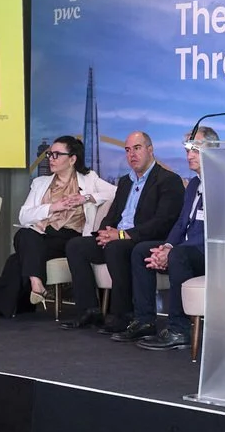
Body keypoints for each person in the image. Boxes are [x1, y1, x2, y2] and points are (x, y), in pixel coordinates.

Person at [0, 135, 116, 320]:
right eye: (50, 154)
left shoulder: (89, 179)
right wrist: (53, 207)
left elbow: (115, 191)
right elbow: (24, 215)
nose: (51, 158)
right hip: (43, 235)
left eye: (57, 154)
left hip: (70, 238)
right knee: (24, 234)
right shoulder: (40, 183)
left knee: (16, 259)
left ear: (72, 159)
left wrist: (86, 197)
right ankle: (36, 284)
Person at [59, 131, 183, 332]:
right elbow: (113, 213)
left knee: (116, 248)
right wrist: (104, 232)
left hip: (143, 239)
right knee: (76, 246)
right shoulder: (125, 182)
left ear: (150, 150)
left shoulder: (168, 180)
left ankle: (123, 315)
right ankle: (89, 311)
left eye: (137, 148)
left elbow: (162, 222)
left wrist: (122, 235)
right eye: (127, 150)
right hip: (118, 237)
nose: (131, 154)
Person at [115, 127, 218, 349]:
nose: (189, 155)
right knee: (143, 250)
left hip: (209, 253)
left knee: (179, 255)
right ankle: (144, 321)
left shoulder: (223, 184)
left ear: (213, 151)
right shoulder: (193, 184)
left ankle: (178, 330)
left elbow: (215, 231)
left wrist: (172, 252)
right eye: (187, 150)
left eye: (195, 150)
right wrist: (167, 246)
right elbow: (181, 223)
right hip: (185, 249)